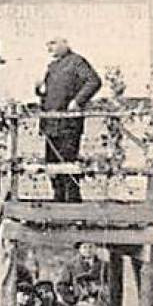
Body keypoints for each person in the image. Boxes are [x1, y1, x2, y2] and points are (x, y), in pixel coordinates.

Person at [35, 37, 102, 203]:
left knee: (69, 167)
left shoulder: (76, 62)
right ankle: (58, 203)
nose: (49, 47)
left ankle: (73, 207)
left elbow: (94, 81)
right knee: (52, 167)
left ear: (65, 43)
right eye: (47, 44)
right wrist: (40, 91)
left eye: (53, 43)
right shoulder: (52, 66)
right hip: (51, 124)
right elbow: (51, 96)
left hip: (68, 125)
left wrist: (78, 101)